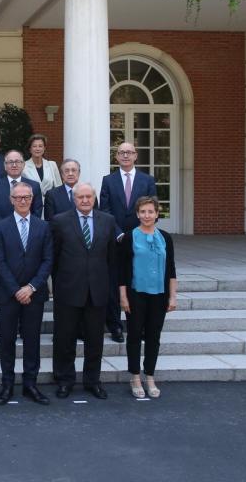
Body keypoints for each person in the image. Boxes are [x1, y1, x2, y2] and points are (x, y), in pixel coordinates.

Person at [50, 182, 117, 401]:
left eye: (89, 196)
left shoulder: (107, 221)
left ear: (94, 198)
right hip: (68, 289)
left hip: (97, 290)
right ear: (74, 199)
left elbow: (110, 257)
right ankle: (64, 380)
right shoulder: (60, 221)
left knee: (95, 340)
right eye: (81, 197)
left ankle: (92, 381)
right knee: (64, 339)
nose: (85, 200)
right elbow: (55, 257)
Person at [0, 182, 53, 406]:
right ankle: (7, 385)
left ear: (33, 199)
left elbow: (48, 260)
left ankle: (30, 384)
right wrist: (16, 290)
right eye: (18, 197)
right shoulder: (0, 227)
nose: (23, 201)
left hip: (34, 295)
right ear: (11, 200)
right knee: (7, 341)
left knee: (32, 341)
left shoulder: (43, 227)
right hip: (8, 295)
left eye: (27, 197)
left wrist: (31, 287)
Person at [118, 196, 178, 399]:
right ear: (137, 214)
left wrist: (173, 297)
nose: (147, 215)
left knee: (154, 337)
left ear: (157, 213)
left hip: (159, 296)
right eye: (143, 212)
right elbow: (122, 270)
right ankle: (135, 377)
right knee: (134, 336)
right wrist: (123, 297)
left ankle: (150, 376)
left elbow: (171, 269)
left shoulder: (166, 238)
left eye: (150, 211)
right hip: (136, 295)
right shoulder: (129, 237)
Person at [100, 141, 156, 344]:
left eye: (129, 152)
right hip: (115, 242)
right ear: (116, 157)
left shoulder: (147, 180)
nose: (125, 156)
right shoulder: (108, 180)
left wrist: (136, 235)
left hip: (140, 240)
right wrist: (118, 234)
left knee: (138, 284)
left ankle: (137, 326)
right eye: (121, 152)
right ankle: (115, 326)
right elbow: (104, 210)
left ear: (135, 155)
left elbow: (151, 210)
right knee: (115, 284)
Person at [0, 150, 42, 227]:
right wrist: (5, 228)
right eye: (10, 162)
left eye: (18, 162)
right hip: (2, 232)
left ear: (23, 165)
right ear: (5, 166)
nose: (14, 165)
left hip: (28, 230)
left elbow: (37, 211)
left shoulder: (34, 186)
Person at [21, 133, 62, 205]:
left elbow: (59, 188)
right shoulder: (23, 166)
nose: (37, 149)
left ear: (44, 148)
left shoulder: (52, 165)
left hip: (51, 205)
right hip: (32, 205)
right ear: (30, 149)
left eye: (40, 146)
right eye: (34, 146)